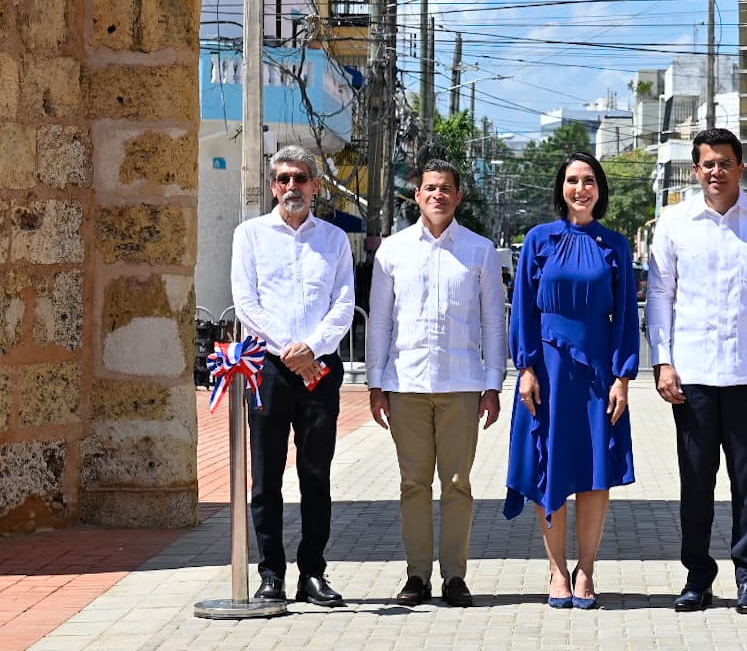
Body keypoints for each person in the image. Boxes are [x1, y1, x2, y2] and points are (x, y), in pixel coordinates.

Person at [646, 127, 747, 615]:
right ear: (696, 170)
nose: (716, 172)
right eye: (707, 164)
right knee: (696, 482)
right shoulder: (673, 223)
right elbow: (660, 296)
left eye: (725, 163)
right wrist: (663, 361)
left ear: (741, 167)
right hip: (691, 375)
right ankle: (697, 577)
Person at [366, 159, 506, 608]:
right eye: (430, 188)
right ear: (418, 196)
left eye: (446, 188)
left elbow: (492, 323)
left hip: (462, 384)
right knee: (413, 484)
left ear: (458, 196)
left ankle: (455, 576)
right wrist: (375, 382)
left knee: (458, 483)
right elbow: (380, 322)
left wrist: (492, 383)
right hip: (405, 384)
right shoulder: (393, 250)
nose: (438, 195)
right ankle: (417, 575)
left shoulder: (480, 250)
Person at [504, 152, 640, 610]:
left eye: (588, 181)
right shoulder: (538, 240)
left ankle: (587, 568)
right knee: (551, 466)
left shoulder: (615, 245)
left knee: (595, 472)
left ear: (600, 189)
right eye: (571, 181)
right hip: (547, 371)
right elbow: (523, 306)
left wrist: (623, 376)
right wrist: (524, 367)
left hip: (598, 372)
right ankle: (557, 569)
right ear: (560, 188)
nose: (580, 188)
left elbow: (624, 318)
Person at [231, 144, 355, 607]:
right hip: (267, 367)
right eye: (282, 179)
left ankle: (313, 574)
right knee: (266, 477)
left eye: (300, 178)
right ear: (271, 186)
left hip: (321, 371)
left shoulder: (334, 240)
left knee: (315, 473)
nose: (291, 187)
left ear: (315, 186)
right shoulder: (250, 235)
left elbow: (344, 304)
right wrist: (290, 350)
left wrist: (314, 350)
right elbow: (247, 303)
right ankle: (270, 574)